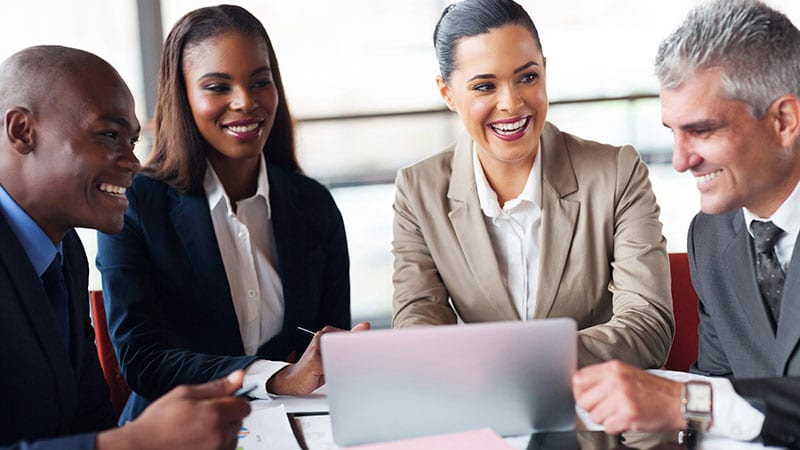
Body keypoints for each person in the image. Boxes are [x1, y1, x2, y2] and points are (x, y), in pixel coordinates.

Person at [96, 4, 368, 423]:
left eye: (260, 81)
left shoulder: (313, 204)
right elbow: (143, 361)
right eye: (218, 87)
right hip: (176, 429)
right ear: (183, 96)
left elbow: (325, 352)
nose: (245, 102)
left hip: (300, 424)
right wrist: (275, 378)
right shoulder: (137, 205)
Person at [391, 0, 673, 368]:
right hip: (485, 408)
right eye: (484, 87)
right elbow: (417, 321)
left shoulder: (617, 173)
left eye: (527, 77)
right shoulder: (418, 190)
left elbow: (648, 328)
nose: (511, 103)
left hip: (594, 409)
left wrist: (517, 359)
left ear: (545, 71)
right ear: (447, 93)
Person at [572, 0, 800, 447]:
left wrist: (684, 401)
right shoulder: (712, 236)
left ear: (784, 120)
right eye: (673, 132)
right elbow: (714, 387)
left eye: (703, 130)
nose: (681, 160)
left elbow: (706, 400)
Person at [0, 45, 250, 449]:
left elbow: (86, 419)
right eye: (109, 134)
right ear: (22, 131)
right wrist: (133, 443)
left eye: (132, 140)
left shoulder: (66, 254)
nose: (133, 161)